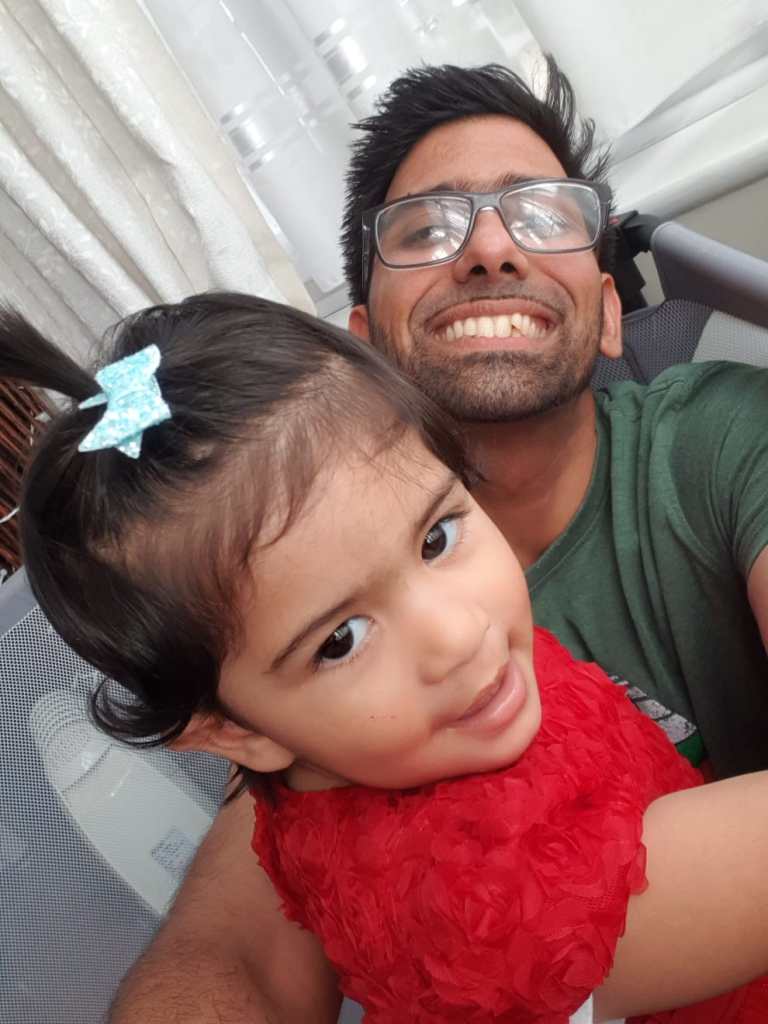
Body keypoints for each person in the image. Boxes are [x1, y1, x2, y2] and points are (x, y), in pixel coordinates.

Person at [58, 58, 768, 1021]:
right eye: (427, 228)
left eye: (541, 214)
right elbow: (232, 955)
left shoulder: (725, 440)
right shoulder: (289, 639)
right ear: (366, 348)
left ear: (610, 311)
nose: (490, 248)